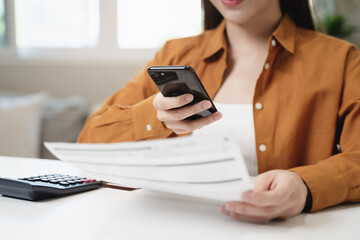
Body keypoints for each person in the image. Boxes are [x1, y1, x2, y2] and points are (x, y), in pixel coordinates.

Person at [78, 0, 360, 223]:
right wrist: (154, 117)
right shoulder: (174, 54)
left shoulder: (341, 60)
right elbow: (89, 140)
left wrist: (305, 186)